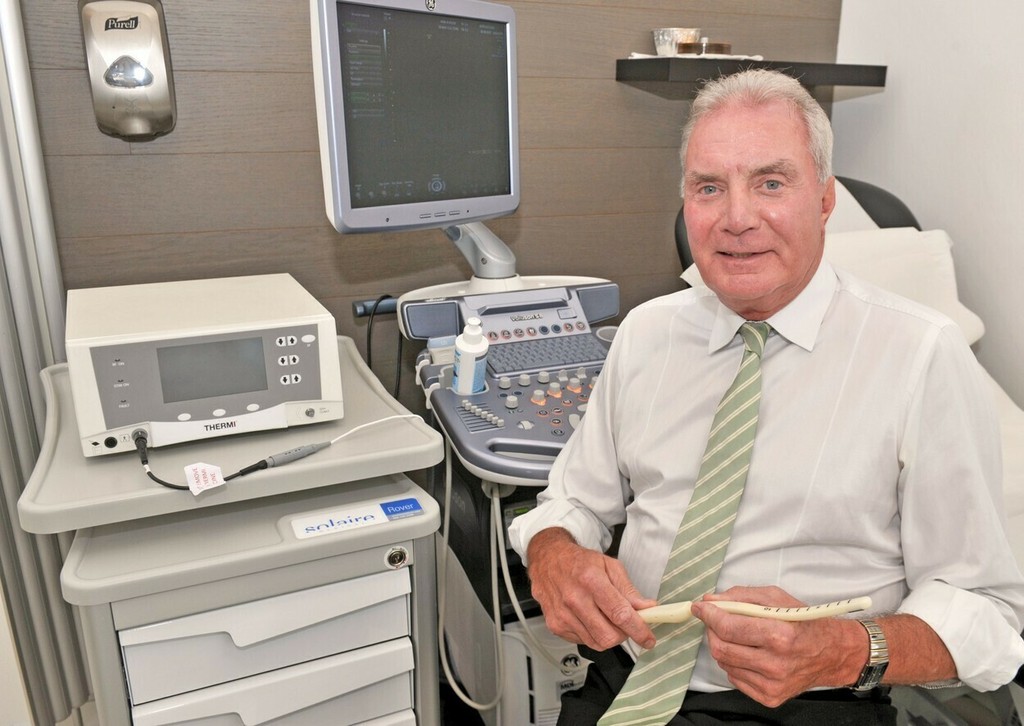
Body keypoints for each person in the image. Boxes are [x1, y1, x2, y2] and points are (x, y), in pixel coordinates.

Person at [507, 68, 1024, 725]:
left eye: (771, 183)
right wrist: (554, 552)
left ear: (825, 200)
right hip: (626, 684)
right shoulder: (647, 333)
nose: (737, 219)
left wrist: (842, 650)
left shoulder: (921, 355)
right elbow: (574, 500)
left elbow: (986, 611)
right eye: (709, 187)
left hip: (811, 698)